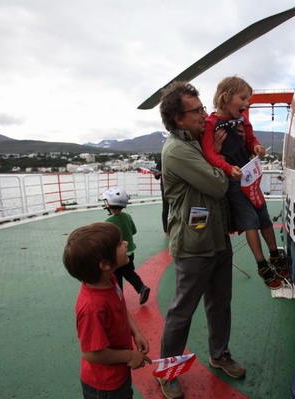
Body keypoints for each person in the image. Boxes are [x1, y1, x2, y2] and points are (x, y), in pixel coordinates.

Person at [157, 81, 245, 399]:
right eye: (196, 111)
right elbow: (218, 185)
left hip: (217, 238)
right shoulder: (178, 150)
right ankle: (167, 372)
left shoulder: (196, 142)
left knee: (220, 304)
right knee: (182, 312)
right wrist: (218, 159)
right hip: (194, 247)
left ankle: (219, 355)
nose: (203, 115)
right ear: (178, 119)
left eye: (202, 108)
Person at [201, 75, 288, 290]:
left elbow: (251, 140)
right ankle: (262, 265)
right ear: (226, 97)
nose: (247, 103)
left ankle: (274, 255)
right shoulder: (210, 124)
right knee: (250, 221)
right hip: (233, 181)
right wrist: (228, 168)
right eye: (243, 98)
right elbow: (210, 154)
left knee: (263, 217)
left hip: (250, 177)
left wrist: (256, 147)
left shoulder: (242, 121)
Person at [62, 222, 151, 398]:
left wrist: (136, 332)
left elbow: (122, 306)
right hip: (105, 386)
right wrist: (129, 356)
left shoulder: (110, 281)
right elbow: (91, 354)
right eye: (119, 244)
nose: (125, 243)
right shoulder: (92, 307)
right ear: (104, 264)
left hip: (119, 374)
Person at [102, 187, 151, 305]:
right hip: (130, 252)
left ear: (109, 204)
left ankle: (119, 298)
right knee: (129, 273)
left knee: (116, 277)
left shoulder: (108, 222)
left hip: (117, 255)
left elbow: (107, 241)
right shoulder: (128, 216)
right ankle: (141, 288)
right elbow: (133, 231)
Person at [151, 159, 170, 239]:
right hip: (165, 188)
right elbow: (157, 177)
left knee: (177, 208)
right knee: (165, 209)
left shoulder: (176, 155)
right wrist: (156, 174)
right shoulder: (161, 160)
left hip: (176, 187)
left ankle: (177, 229)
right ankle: (166, 231)